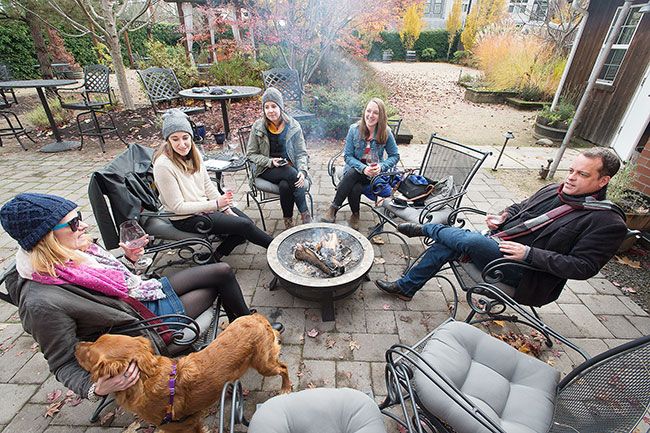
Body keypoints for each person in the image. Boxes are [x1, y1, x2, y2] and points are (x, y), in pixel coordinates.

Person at [0, 192, 282, 402]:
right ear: (46, 238)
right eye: (73, 224)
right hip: (147, 326)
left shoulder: (69, 257)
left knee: (221, 271)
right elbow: (61, 362)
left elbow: (114, 283)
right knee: (214, 287)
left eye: (80, 219)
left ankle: (248, 327)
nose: (82, 226)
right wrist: (95, 388)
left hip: (141, 295)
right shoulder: (41, 302)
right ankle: (250, 331)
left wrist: (129, 258)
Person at [375, 148, 628, 307]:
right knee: (452, 241)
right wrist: (503, 216)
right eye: (571, 170)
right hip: (499, 245)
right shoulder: (555, 190)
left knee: (470, 241)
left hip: (527, 272)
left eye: (582, 174)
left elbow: (583, 267)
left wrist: (529, 254)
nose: (571, 177)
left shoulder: (607, 222)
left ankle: (424, 229)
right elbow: (520, 207)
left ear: (603, 181)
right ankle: (407, 288)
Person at [153, 109, 273, 260]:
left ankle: (216, 255)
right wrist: (216, 204)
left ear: (191, 137)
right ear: (167, 140)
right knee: (245, 226)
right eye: (175, 139)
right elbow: (178, 207)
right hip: (186, 218)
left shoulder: (193, 153)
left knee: (245, 224)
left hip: (204, 207)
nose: (182, 144)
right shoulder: (163, 165)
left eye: (185, 137)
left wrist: (225, 209)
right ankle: (277, 248)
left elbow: (208, 186)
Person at [320, 98, 400, 230]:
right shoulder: (354, 129)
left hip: (373, 174)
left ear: (381, 116)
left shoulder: (386, 132)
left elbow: (395, 155)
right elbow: (348, 156)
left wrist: (381, 166)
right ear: (364, 112)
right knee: (354, 184)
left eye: (375, 112)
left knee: (352, 180)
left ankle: (334, 208)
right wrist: (363, 168)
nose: (371, 115)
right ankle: (355, 214)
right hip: (354, 170)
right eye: (368, 111)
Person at [246, 87, 312, 229]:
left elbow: (301, 153)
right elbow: (251, 154)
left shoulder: (293, 126)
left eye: (274, 106)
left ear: (281, 107)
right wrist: (270, 161)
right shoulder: (258, 127)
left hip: (289, 167)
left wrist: (303, 170)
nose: (270, 110)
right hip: (266, 168)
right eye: (266, 107)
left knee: (285, 185)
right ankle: (306, 215)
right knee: (291, 174)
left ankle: (288, 222)